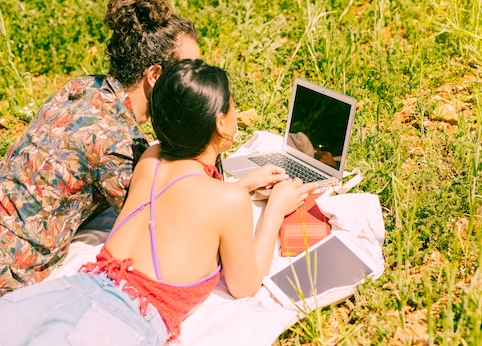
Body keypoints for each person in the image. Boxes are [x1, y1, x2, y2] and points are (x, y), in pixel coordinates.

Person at [0, 59, 318, 344]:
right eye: (233, 107)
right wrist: (274, 208)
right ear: (221, 122)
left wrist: (244, 185)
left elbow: (186, 195)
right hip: (123, 321)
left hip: (73, 291)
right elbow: (244, 285)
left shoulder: (151, 157)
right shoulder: (229, 200)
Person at [0, 0, 204, 294]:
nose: (197, 80)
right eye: (188, 70)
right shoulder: (119, 143)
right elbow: (159, 230)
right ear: (155, 75)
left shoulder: (82, 86)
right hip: (11, 271)